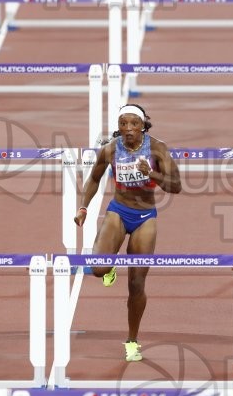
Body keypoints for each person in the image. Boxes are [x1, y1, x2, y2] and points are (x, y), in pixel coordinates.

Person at [74, 104, 182, 362]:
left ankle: (132, 340)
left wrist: (152, 173)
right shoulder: (110, 149)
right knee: (97, 269)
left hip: (145, 217)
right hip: (118, 210)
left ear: (143, 125)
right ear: (119, 126)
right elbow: (94, 179)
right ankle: (108, 265)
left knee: (136, 284)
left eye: (134, 124)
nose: (129, 129)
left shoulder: (157, 149)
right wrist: (83, 207)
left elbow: (176, 186)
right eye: (124, 124)